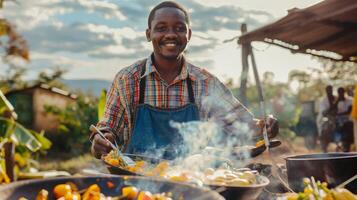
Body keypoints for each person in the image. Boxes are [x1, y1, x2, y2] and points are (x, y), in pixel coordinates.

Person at [90, 1, 278, 159]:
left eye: (179, 28)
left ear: (188, 35)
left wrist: (264, 127)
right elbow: (107, 131)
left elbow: (241, 125)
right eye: (161, 28)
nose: (171, 34)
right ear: (149, 34)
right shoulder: (127, 80)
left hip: (192, 182)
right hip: (136, 182)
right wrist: (102, 141)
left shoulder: (205, 82)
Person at [317, 85, 337, 152]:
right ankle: (324, 148)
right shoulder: (323, 100)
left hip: (336, 119)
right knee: (324, 129)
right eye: (328, 90)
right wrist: (333, 106)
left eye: (331, 90)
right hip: (323, 119)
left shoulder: (335, 98)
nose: (329, 91)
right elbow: (324, 113)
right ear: (326, 91)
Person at [335, 87, 353, 152]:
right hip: (338, 121)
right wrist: (337, 101)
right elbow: (333, 111)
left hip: (348, 121)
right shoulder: (336, 102)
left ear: (344, 92)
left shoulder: (350, 100)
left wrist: (339, 114)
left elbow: (349, 111)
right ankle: (338, 144)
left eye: (342, 92)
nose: (341, 94)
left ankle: (345, 144)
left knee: (347, 127)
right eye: (339, 92)